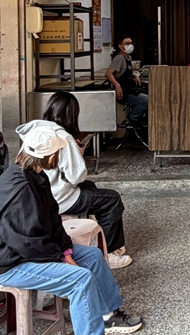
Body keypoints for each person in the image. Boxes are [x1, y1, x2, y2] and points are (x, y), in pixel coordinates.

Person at [0, 122, 143, 334]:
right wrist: (61, 258)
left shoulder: (35, 175)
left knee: (93, 257)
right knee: (80, 280)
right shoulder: (20, 189)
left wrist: (66, 252)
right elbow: (28, 242)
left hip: (27, 251)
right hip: (7, 263)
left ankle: (108, 315)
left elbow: (52, 220)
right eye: (59, 152)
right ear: (50, 157)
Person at [34, 91, 132, 268]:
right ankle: (110, 253)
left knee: (91, 187)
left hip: (42, 193)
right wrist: (79, 153)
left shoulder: (38, 130)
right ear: (71, 114)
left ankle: (95, 234)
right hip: (59, 197)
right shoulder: (64, 138)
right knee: (112, 199)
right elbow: (77, 176)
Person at [106, 35, 147, 127]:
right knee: (146, 100)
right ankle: (133, 117)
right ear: (120, 46)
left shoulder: (128, 58)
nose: (130, 45)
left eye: (131, 43)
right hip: (124, 93)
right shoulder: (119, 58)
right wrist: (117, 85)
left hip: (131, 89)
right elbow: (108, 73)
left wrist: (134, 75)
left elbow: (124, 70)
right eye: (127, 43)